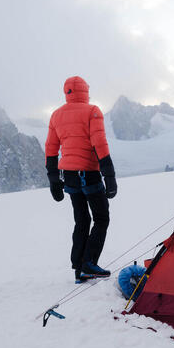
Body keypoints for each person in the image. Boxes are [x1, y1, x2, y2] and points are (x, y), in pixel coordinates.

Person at [45, 76, 118, 283]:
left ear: (66, 92)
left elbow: (51, 147)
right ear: (86, 91)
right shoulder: (92, 111)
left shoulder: (56, 115)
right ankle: (89, 263)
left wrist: (53, 178)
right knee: (101, 218)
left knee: (82, 220)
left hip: (69, 176)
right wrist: (109, 176)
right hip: (89, 173)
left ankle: (79, 269)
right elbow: (99, 144)